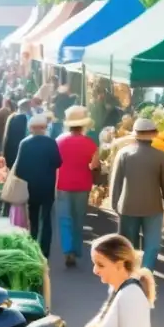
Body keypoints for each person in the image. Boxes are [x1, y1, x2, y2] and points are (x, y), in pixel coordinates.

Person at [109, 118, 164, 273]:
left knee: (128, 243)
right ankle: (146, 272)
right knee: (152, 244)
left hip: (127, 205)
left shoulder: (123, 154)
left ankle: (130, 272)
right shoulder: (162, 157)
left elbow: (116, 182)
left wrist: (114, 203)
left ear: (135, 134)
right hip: (153, 206)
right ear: (153, 134)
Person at [55, 106, 99, 268]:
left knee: (65, 218)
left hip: (63, 184)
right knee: (78, 218)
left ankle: (68, 251)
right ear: (83, 126)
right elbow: (94, 165)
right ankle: (77, 249)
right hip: (82, 184)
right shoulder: (90, 143)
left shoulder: (59, 141)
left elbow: (54, 163)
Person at [14, 114, 61, 257]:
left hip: (31, 187)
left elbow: (19, 169)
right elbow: (58, 162)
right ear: (45, 128)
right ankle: (45, 251)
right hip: (47, 185)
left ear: (31, 128)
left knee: (33, 219)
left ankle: (33, 246)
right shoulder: (51, 143)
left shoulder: (24, 143)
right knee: (46, 219)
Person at [2, 99, 31, 168]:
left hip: (10, 150)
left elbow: (5, 136)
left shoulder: (12, 117)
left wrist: (3, 151)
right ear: (28, 107)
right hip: (21, 152)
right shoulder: (27, 118)